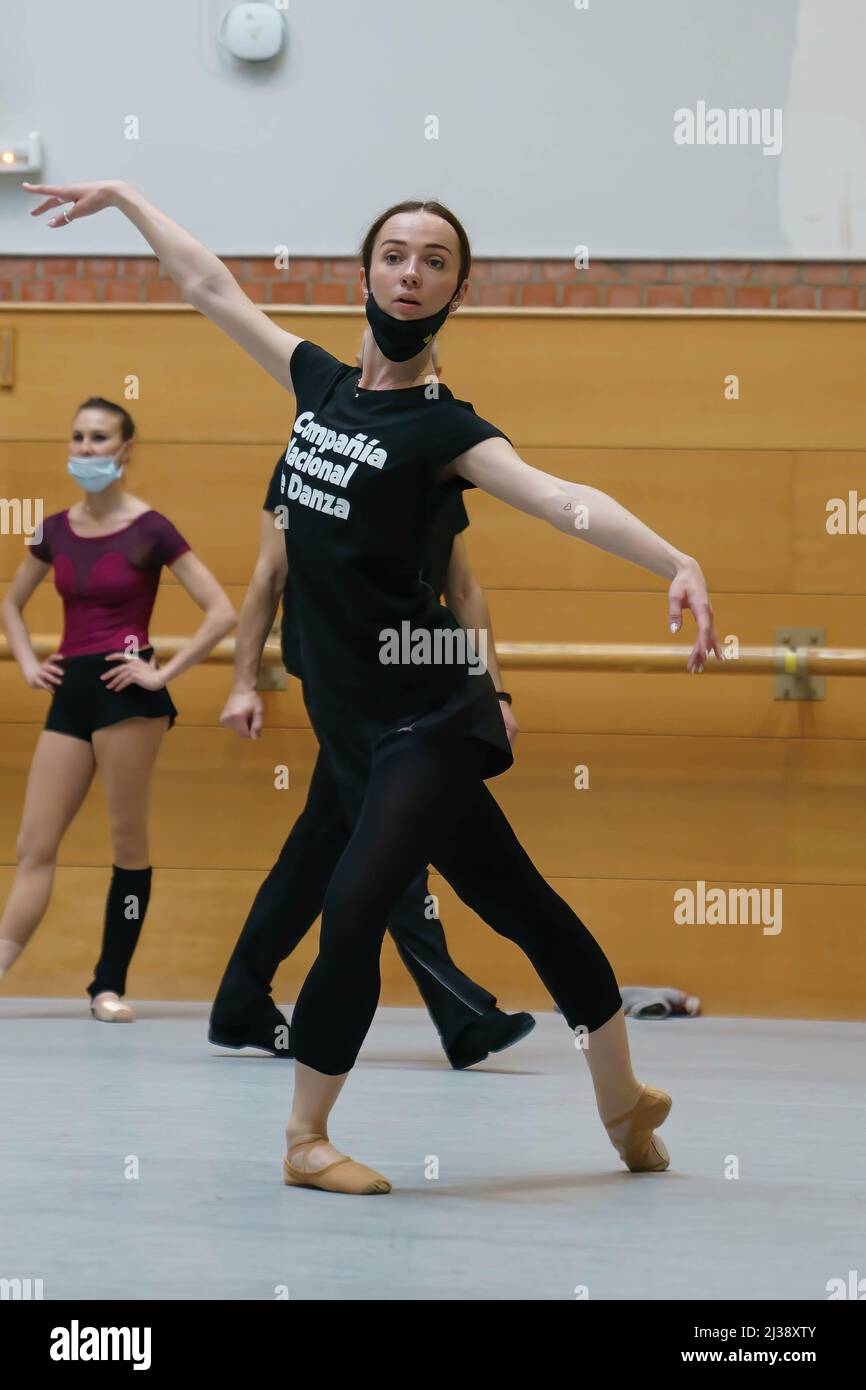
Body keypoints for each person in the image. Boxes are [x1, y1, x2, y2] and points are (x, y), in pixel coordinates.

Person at [23, 179, 723, 1195]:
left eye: (434, 260)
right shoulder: (317, 385)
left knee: (352, 902)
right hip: (350, 724)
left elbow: (559, 497)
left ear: (456, 289)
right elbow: (209, 285)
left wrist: (674, 561)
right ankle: (624, 1102)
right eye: (395, 253)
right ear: (365, 273)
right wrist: (128, 197)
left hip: (429, 714)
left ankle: (305, 1137)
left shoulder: (447, 432)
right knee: (521, 902)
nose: (411, 272)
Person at [211, 336, 536, 1069]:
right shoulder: (316, 453)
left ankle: (241, 998)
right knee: (386, 849)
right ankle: (459, 1012)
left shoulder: (439, 463)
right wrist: (241, 681)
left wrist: (492, 688)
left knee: (326, 844)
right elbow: (267, 577)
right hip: (344, 678)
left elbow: (464, 593)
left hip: (418, 684)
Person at [0, 396, 236, 1018]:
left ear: (126, 450)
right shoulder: (50, 529)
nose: (85, 448)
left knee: (127, 841)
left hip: (127, 694)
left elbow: (222, 611)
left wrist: (162, 673)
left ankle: (108, 985)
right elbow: (10, 604)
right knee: (34, 842)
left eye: (99, 438)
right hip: (70, 692)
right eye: (77, 437)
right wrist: (27, 662)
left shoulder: (151, 527)